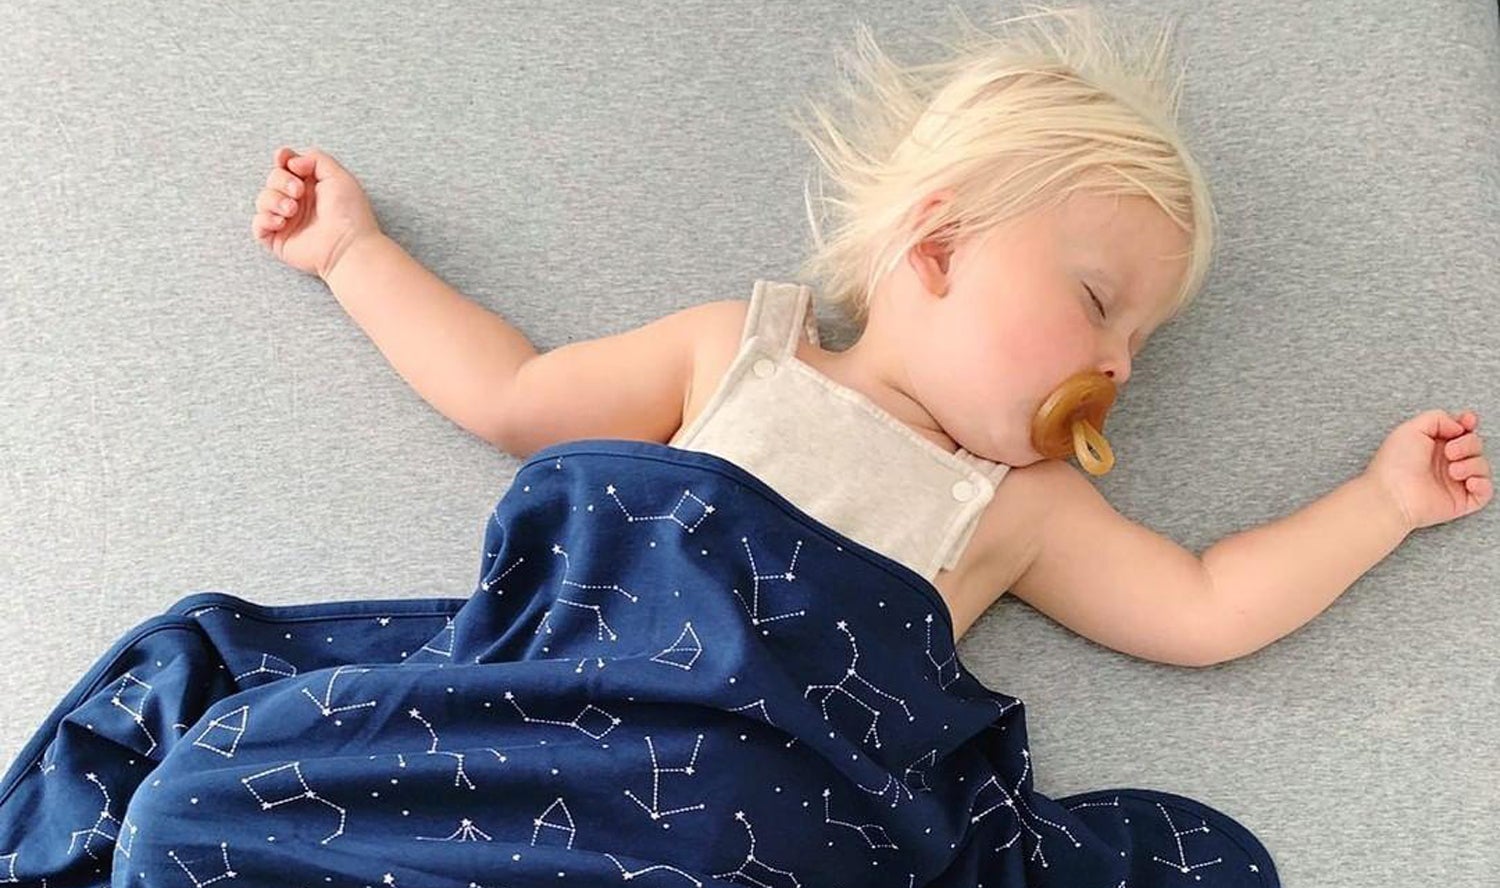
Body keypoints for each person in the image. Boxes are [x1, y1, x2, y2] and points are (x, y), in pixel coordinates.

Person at [249, 3, 1488, 656]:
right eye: (1098, 304)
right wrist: (356, 256)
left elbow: (1204, 607)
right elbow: (513, 396)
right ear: (939, 247)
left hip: (747, 825)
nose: (1119, 364)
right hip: (572, 709)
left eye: (1141, 345)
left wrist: (1380, 505)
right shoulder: (739, 353)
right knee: (220, 808)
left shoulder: (1019, 504)